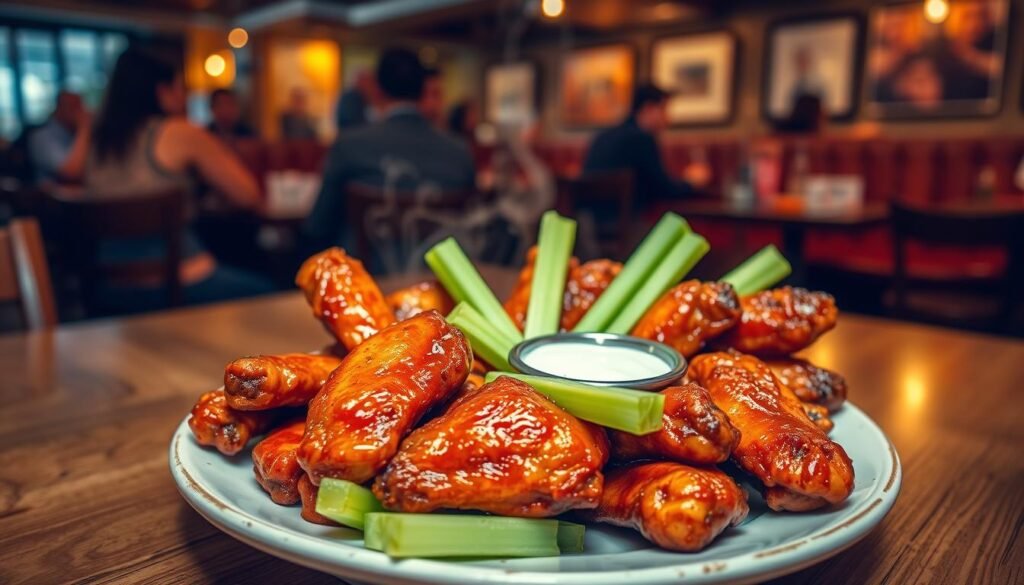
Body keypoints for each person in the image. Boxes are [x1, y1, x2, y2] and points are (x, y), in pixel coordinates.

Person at [70, 45, 272, 312]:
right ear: (162, 91)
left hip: (108, 288)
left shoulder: (97, 139)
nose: (184, 96)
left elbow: (67, 174)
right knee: (267, 291)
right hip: (180, 280)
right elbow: (248, 194)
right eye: (180, 87)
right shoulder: (178, 133)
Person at [303, 47, 476, 250]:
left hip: (366, 277)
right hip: (439, 276)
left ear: (376, 90)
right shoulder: (459, 151)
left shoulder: (349, 146)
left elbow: (317, 226)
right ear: (422, 91)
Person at [582, 84, 697, 210]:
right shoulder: (642, 139)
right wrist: (691, 183)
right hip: (628, 224)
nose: (668, 118)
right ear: (648, 108)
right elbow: (663, 189)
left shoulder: (602, 136)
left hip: (589, 222)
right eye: (663, 109)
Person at [27, 90, 91, 184]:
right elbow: (70, 172)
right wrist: (84, 128)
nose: (81, 112)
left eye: (81, 106)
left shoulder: (74, 133)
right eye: (75, 107)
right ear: (60, 108)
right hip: (51, 197)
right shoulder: (42, 136)